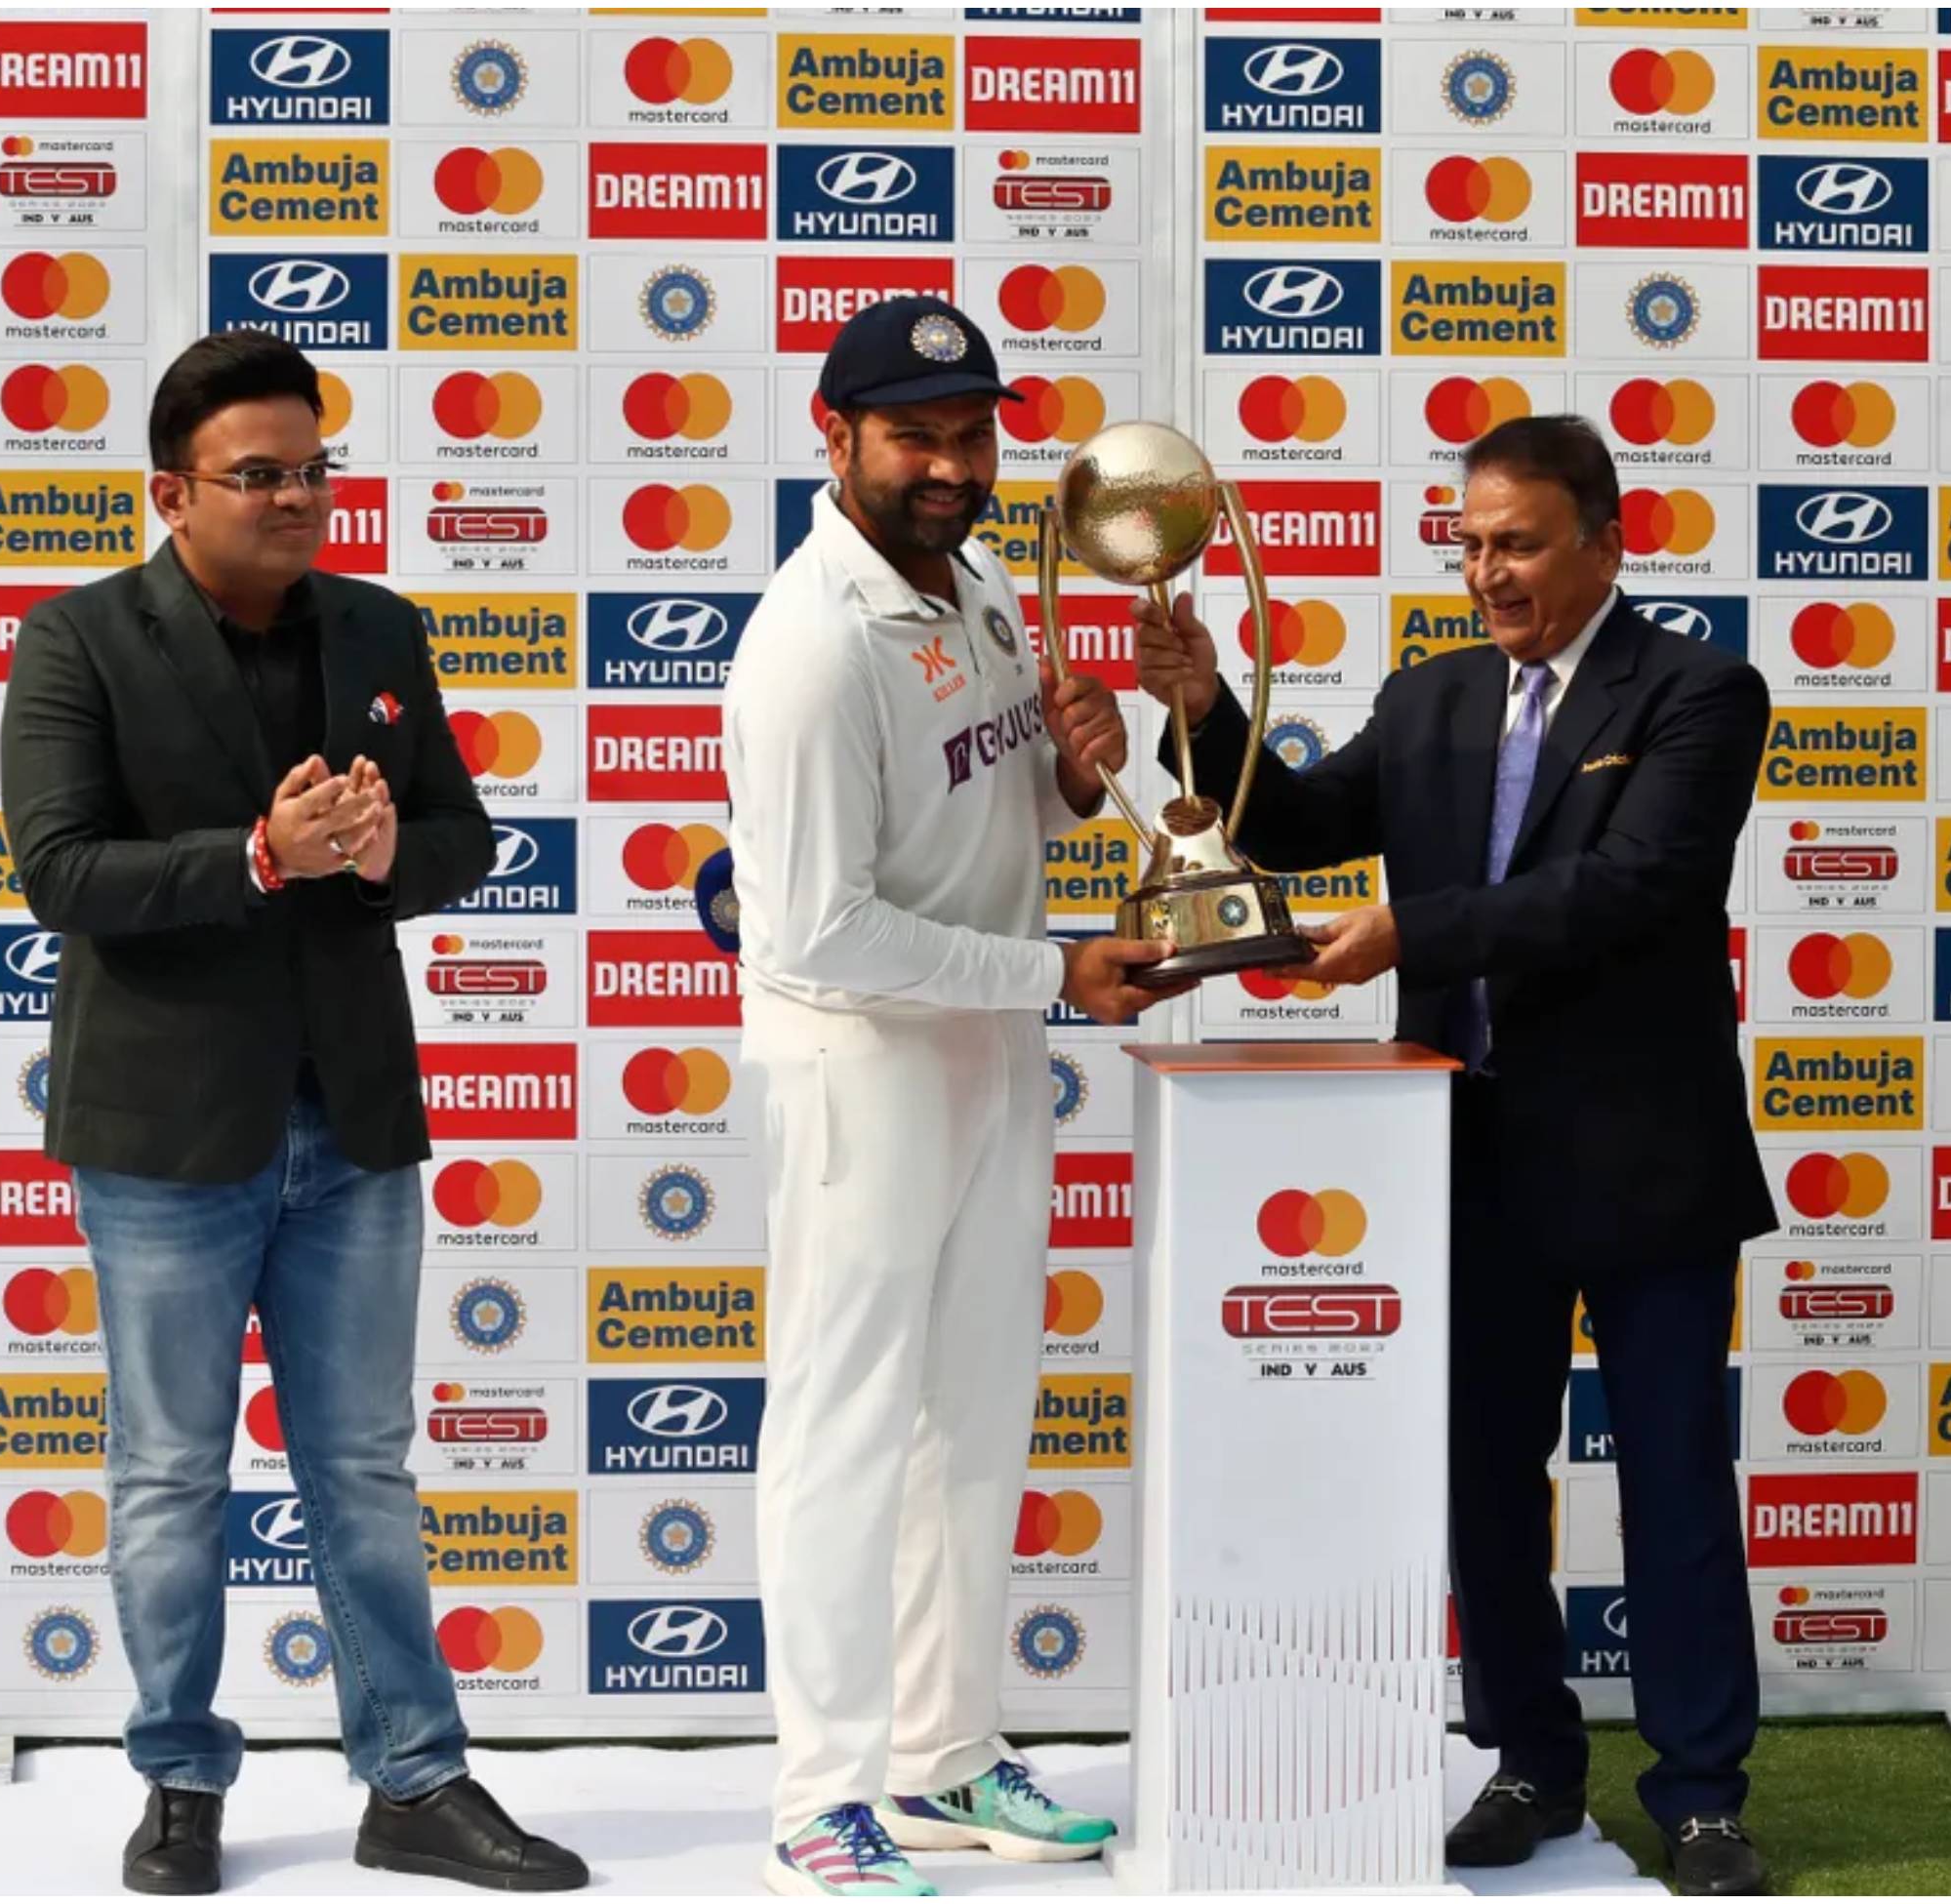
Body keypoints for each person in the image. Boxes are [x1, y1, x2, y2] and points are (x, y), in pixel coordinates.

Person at [1136, 414, 1778, 1896]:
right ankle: (1532, 1766)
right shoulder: (1427, 697)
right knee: (1488, 1480)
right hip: (1468, 1157)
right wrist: (1209, 705)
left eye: (1520, 542)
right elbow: (1291, 826)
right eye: (1472, 542)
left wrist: (1412, 930)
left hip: (1645, 1164)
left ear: (1607, 543)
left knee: (1676, 1480)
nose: (1488, 570)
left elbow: (1629, 887)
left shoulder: (1699, 690)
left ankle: (1699, 1799)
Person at [0, 330, 586, 1896]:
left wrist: (389, 850)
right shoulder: (76, 643)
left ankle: (413, 1779)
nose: (297, 499)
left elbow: (468, 840)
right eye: (259, 475)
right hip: (166, 1137)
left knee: (365, 1470)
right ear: (171, 494)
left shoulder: (380, 630)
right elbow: (58, 874)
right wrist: (259, 859)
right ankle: (180, 1778)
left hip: (353, 1127)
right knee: (173, 1477)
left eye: (314, 471)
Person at [722, 295, 1175, 1897]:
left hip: (984, 1046)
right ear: (832, 435)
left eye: (973, 432)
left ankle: (946, 1755)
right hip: (864, 1064)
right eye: (915, 434)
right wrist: (1053, 975)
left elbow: (1000, 829)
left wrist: (1070, 771)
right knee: (845, 1434)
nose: (951, 463)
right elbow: (820, 931)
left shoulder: (976, 587)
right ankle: (821, 1797)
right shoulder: (812, 639)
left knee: (976, 1418)